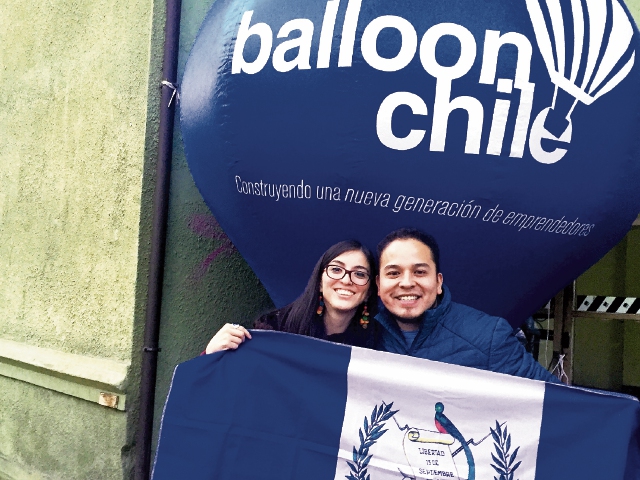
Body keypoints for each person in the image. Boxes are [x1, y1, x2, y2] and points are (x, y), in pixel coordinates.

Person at [374, 227, 560, 383]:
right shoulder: (362, 335)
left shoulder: (489, 338)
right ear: (378, 285)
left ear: (438, 282)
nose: (406, 283)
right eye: (393, 273)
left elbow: (556, 402)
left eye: (420, 272)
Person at [205, 240, 378, 353]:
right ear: (319, 281)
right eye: (336, 270)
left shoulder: (378, 343)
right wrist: (212, 354)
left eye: (360, 274)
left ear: (369, 291)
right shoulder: (276, 327)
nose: (346, 280)